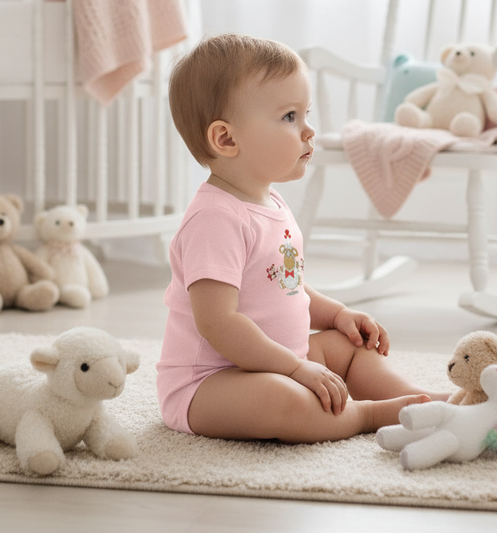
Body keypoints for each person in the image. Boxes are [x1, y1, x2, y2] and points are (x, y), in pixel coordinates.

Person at [156, 33, 448, 443]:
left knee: (351, 347)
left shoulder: (270, 201)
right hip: (210, 383)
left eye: (305, 114)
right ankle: (370, 414)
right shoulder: (214, 219)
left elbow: (284, 285)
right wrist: (295, 369)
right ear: (226, 139)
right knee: (284, 402)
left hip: (279, 360)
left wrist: (337, 314)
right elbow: (218, 322)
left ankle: (423, 399)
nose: (309, 131)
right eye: (289, 117)